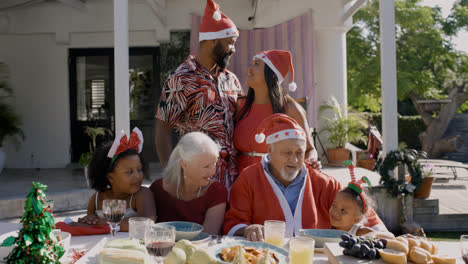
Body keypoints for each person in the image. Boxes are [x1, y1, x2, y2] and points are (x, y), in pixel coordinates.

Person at [223, 114, 386, 241]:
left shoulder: (324, 183)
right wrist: (246, 229)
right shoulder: (248, 178)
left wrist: (385, 236)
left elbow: (361, 210)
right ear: (270, 151)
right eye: (287, 153)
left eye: (299, 153)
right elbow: (233, 223)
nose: (294, 160)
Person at [155, 0, 243, 189]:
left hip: (234, 179)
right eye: (230, 43)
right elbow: (163, 130)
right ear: (212, 41)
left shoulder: (231, 80)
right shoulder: (181, 78)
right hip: (198, 180)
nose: (233, 49)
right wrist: (172, 176)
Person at [234, 49, 319, 174]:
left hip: (275, 181)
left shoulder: (289, 108)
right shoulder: (240, 105)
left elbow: (309, 149)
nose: (250, 69)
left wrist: (311, 160)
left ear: (273, 74)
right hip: (240, 181)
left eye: (257, 64)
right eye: (252, 64)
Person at [76, 128, 157, 232]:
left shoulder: (141, 195)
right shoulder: (97, 199)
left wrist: (106, 223)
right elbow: (92, 227)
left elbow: (147, 223)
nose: (137, 176)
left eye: (139, 170)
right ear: (110, 177)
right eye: (130, 172)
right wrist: (88, 220)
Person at [150, 132, 228, 235]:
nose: (213, 172)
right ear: (184, 164)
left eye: (214, 164)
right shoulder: (158, 189)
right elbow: (146, 230)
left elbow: (208, 236)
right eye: (206, 166)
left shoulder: (217, 192)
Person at [329, 168, 394, 238]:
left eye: (343, 210)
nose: (335, 212)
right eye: (334, 205)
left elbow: (391, 236)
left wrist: (373, 235)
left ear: (356, 219)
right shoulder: (327, 225)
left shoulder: (359, 232)